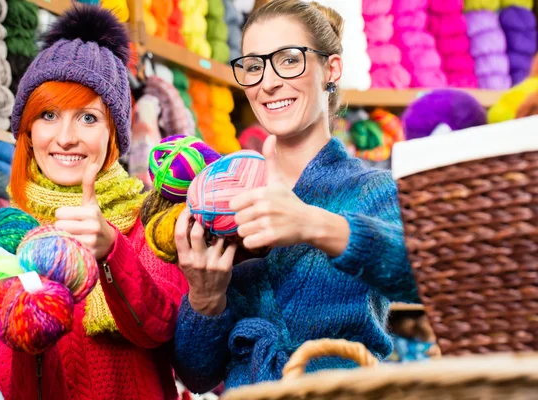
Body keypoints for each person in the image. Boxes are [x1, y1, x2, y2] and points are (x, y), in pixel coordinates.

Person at [173, 0, 419, 393]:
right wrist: (205, 297)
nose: (267, 82)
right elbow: (196, 374)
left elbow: (421, 274)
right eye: (253, 66)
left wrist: (314, 225)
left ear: (331, 69)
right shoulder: (221, 196)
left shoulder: (370, 189)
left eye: (288, 60)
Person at [0, 6, 187, 400]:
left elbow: (163, 330)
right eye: (48, 114)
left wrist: (112, 252)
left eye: (87, 118)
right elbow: (15, 383)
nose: (65, 137)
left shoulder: (150, 223)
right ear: (27, 128)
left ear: (114, 132)